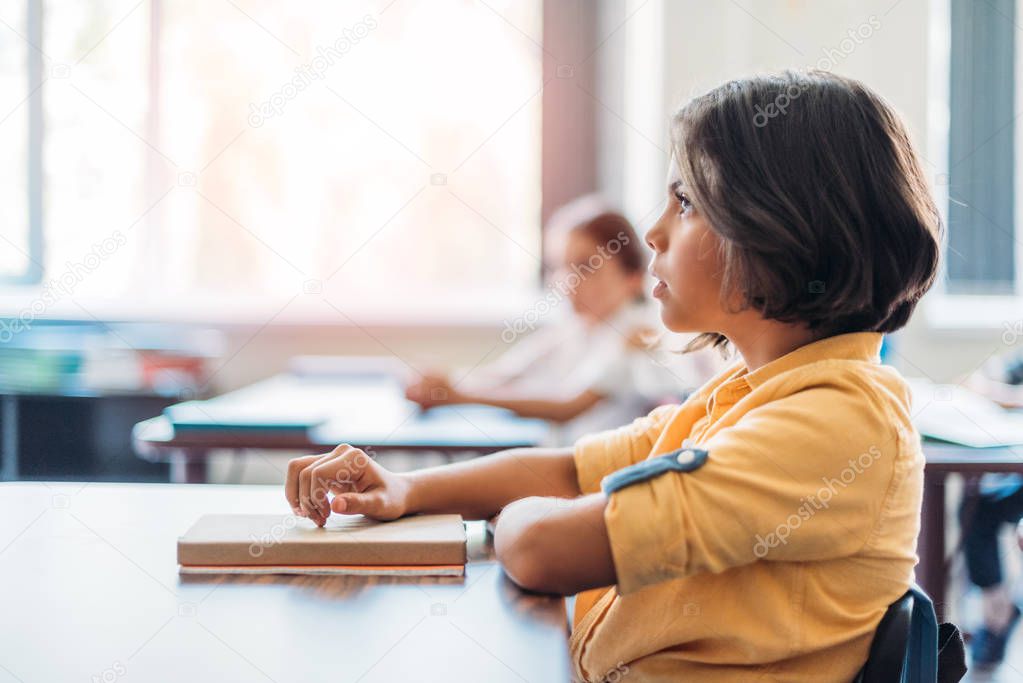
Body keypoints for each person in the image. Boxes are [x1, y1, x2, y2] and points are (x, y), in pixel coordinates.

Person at [284, 71, 941, 680]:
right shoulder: (744, 392)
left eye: (684, 201)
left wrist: (509, 518)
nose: (652, 232)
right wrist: (406, 487)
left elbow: (543, 547)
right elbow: (570, 471)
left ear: (780, 228)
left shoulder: (830, 423)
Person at [404, 196, 715, 445]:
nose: (569, 283)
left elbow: (568, 406)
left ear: (632, 277)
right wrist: (442, 382)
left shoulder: (640, 334)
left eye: (586, 267)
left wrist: (457, 396)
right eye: (561, 268)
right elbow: (508, 373)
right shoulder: (574, 327)